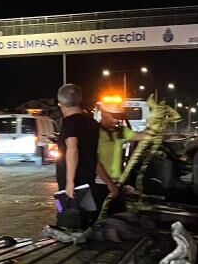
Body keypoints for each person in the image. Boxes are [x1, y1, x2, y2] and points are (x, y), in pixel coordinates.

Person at [55, 84, 101, 227]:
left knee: (63, 213)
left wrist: (70, 182)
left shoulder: (69, 122)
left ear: (60, 104)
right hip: (89, 179)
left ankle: (64, 230)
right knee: (87, 217)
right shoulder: (92, 122)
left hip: (71, 183)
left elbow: (72, 149)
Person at [94, 99, 146, 212]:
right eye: (113, 116)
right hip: (101, 185)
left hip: (117, 184)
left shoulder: (120, 132)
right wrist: (109, 184)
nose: (117, 119)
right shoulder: (95, 133)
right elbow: (95, 162)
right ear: (103, 113)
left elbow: (143, 136)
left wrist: (156, 125)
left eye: (119, 116)